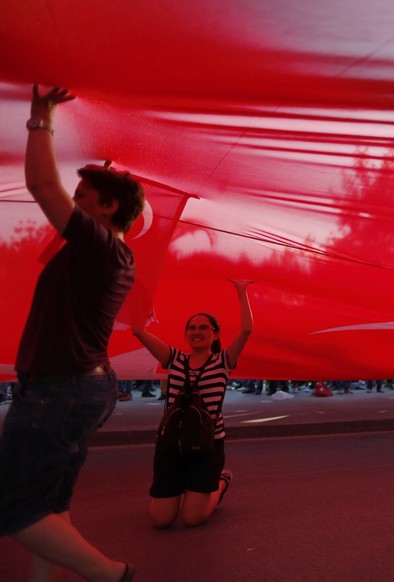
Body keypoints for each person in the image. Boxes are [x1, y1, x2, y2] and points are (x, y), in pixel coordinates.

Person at [0, 86, 144, 581]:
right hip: (79, 384)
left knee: (13, 509)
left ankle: (112, 575)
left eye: (81, 197)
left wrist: (42, 117)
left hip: (59, 389)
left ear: (106, 210)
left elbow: (41, 183)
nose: (70, 201)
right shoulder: (104, 253)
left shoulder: (101, 248)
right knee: (48, 508)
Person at [132, 279, 254, 528]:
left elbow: (246, 331)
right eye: (191, 327)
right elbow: (138, 331)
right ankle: (184, 488)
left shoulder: (223, 361)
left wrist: (241, 293)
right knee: (161, 520)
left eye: (204, 328)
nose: (197, 332)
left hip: (207, 443)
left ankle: (220, 482)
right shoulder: (173, 357)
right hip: (171, 443)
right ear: (186, 333)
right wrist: (139, 295)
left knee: (192, 518)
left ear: (215, 334)